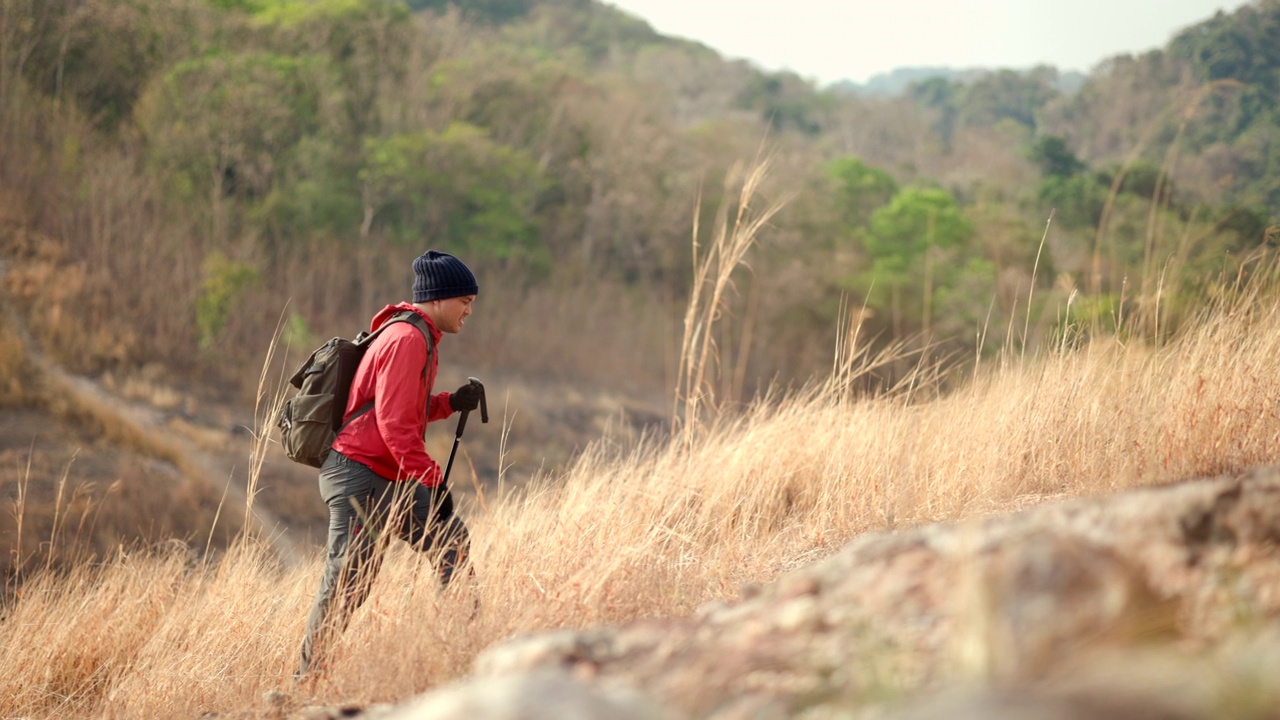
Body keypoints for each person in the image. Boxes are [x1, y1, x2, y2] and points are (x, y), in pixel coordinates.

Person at [297, 249, 483, 678]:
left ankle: (464, 652)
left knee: (450, 540)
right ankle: (306, 683)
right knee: (349, 579)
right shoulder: (406, 340)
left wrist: (450, 403)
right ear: (438, 299)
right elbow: (394, 424)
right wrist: (434, 482)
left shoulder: (420, 338)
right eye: (465, 301)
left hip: (386, 473)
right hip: (359, 474)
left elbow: (402, 409)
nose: (469, 311)